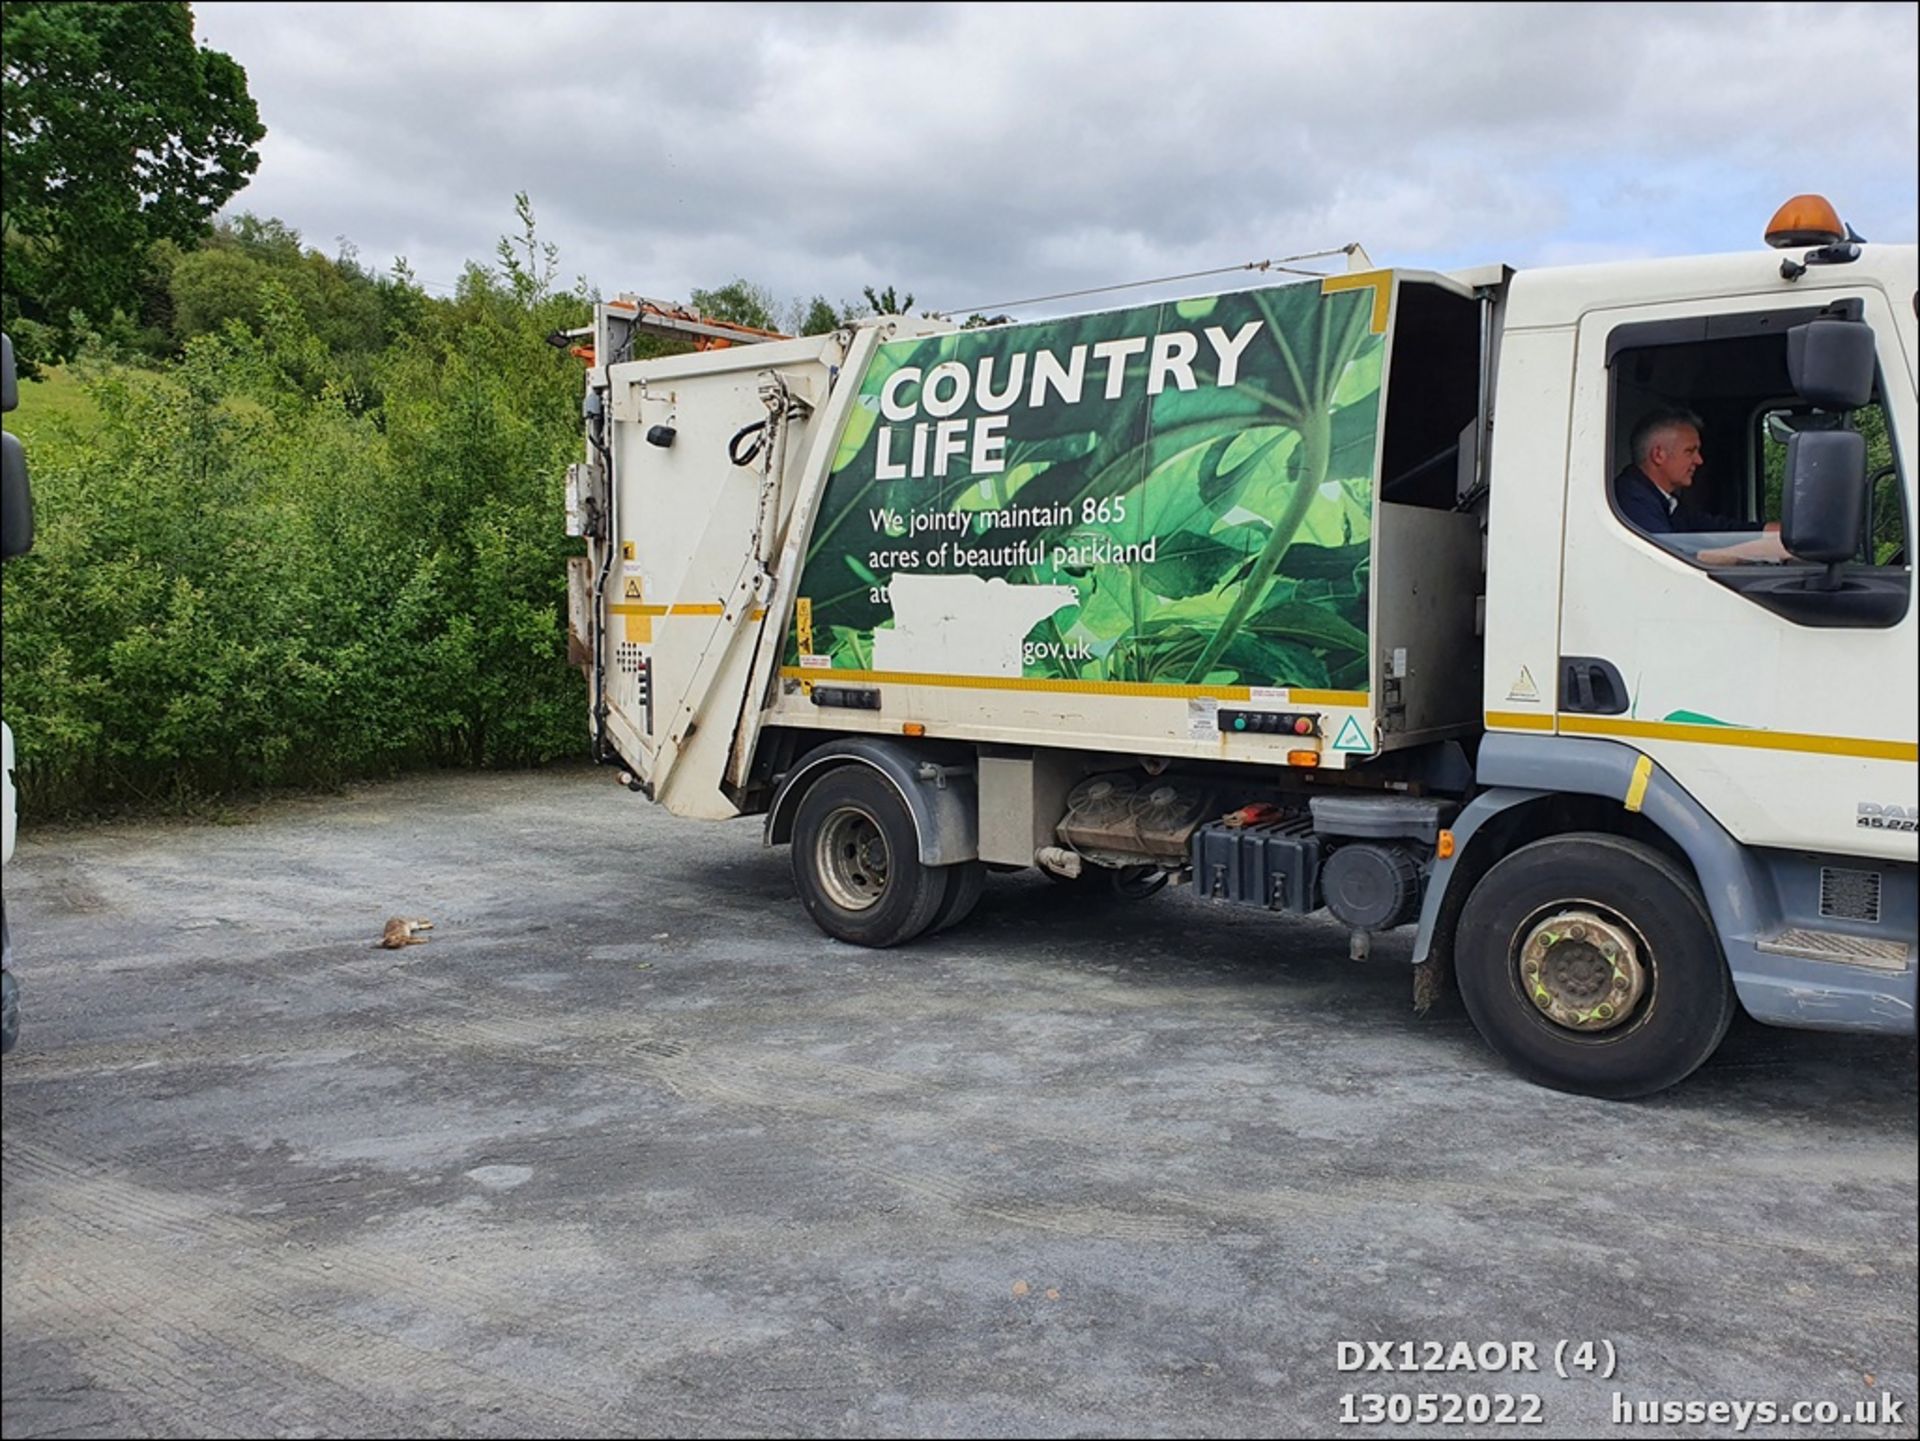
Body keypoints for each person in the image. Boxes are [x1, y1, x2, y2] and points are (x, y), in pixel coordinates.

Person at [1613, 408, 1757, 537]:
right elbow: (1669, 555)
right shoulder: (1631, 501)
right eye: (1689, 451)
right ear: (1658, 455)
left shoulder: (1668, 503)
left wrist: (1767, 533)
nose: (1699, 460)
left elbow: (1712, 528)